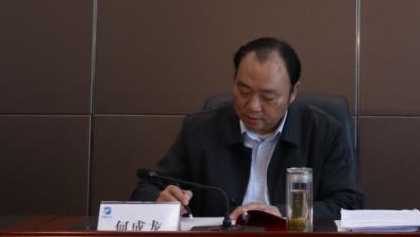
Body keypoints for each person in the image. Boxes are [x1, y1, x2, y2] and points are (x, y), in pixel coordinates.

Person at [132, 37, 364, 223]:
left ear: (293, 92)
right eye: (244, 91)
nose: (253, 106)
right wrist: (161, 199)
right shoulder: (200, 130)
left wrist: (283, 213)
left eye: (268, 97)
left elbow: (348, 204)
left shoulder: (323, 132)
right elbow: (148, 186)